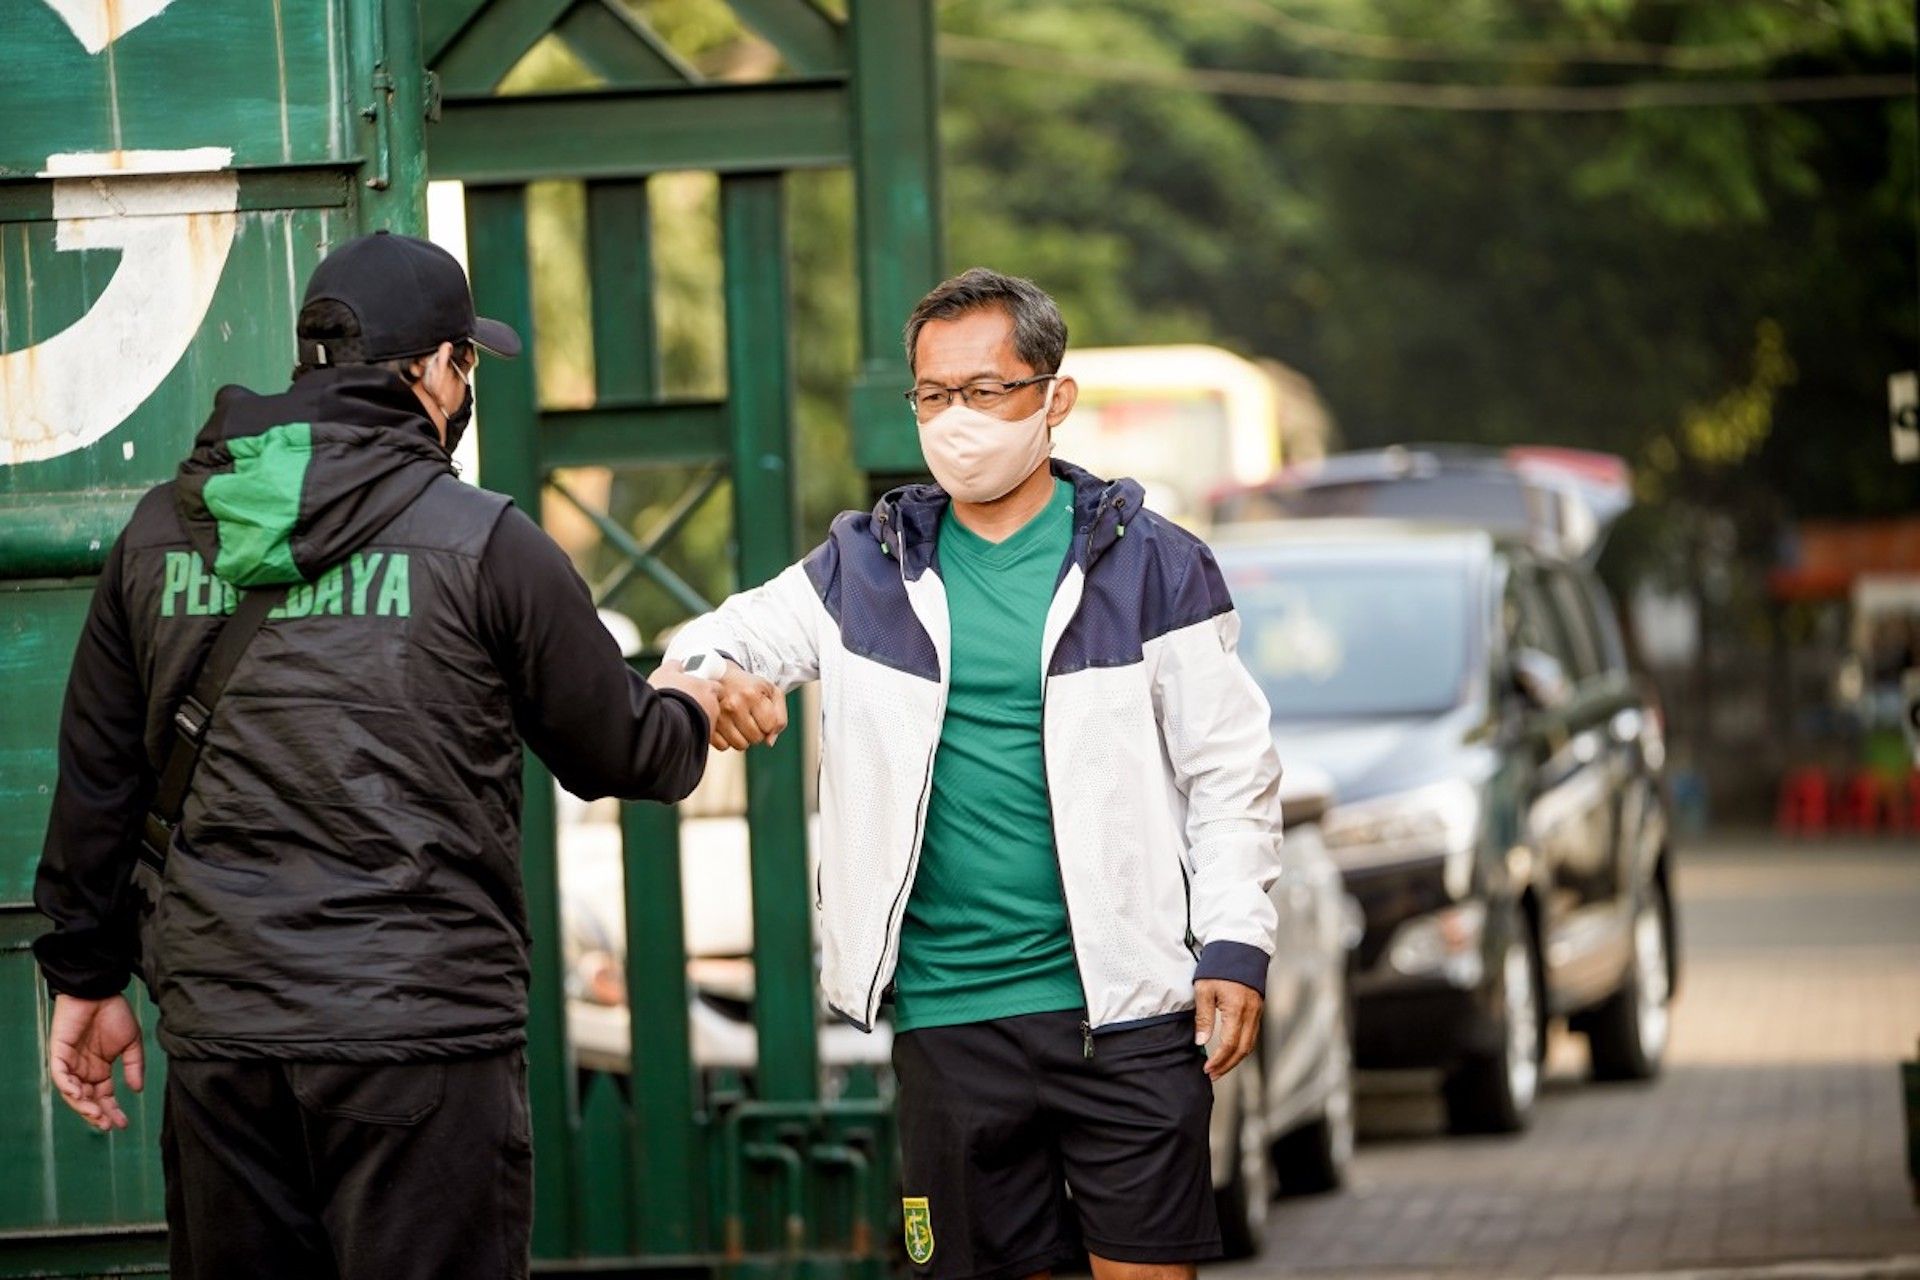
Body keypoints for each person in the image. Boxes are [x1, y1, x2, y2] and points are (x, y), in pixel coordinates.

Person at [33, 231, 719, 1280]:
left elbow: (98, 779)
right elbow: (628, 751)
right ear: (435, 368)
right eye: (469, 363)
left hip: (226, 1043)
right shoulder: (487, 541)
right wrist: (696, 704)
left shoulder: (160, 533)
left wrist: (83, 974)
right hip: (422, 1042)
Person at [666, 267, 1285, 1280]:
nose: (958, 419)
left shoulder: (1155, 567)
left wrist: (1235, 941)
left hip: (1125, 1015)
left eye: (987, 389)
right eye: (934, 395)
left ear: (1054, 397)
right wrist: (704, 675)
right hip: (952, 1020)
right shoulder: (863, 569)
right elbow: (724, 637)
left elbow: (1231, 773)